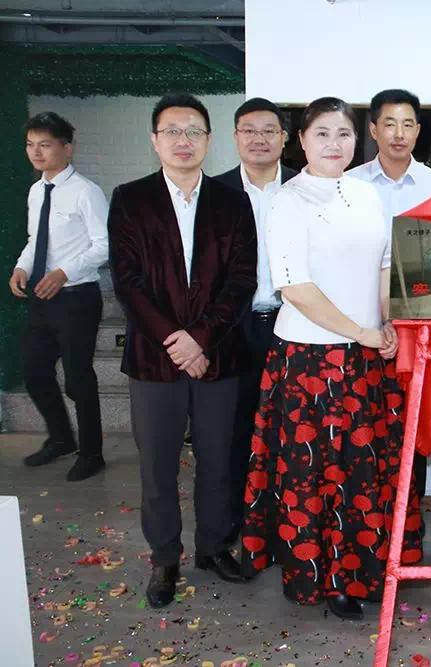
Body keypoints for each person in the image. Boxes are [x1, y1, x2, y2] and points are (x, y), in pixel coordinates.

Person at [241, 97, 422, 621]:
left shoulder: (364, 193)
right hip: (309, 361)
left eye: (343, 134)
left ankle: (362, 570)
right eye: (321, 134)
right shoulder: (288, 200)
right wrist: (361, 331)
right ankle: (325, 577)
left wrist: (387, 321)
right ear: (301, 140)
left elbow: (384, 265)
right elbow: (294, 287)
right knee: (318, 473)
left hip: (365, 357)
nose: (333, 144)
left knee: (363, 471)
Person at [108, 93, 257, 608]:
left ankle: (213, 546)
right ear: (155, 141)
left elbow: (241, 280)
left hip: (218, 355)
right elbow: (127, 282)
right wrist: (177, 341)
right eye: (172, 131)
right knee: (158, 465)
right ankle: (165, 557)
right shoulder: (130, 199)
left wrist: (202, 338)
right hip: (155, 359)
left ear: (209, 141)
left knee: (218, 460)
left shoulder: (232, 202)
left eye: (194, 131)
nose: (183, 140)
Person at [347, 89, 431, 499]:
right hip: (356, 323)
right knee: (360, 423)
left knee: (411, 424)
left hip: (416, 326)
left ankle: (409, 516)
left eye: (407, 125)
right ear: (373, 130)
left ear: (418, 131)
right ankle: (365, 515)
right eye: (389, 124)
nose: (398, 134)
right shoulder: (348, 184)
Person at [215, 97, 298, 545]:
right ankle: (234, 518)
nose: (259, 139)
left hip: (294, 325)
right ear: (235, 137)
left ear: (284, 138)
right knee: (233, 428)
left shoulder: (306, 189)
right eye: (249, 130)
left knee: (291, 430)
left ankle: (288, 519)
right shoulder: (214, 192)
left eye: (269, 130)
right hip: (233, 327)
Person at [10, 112, 108, 482]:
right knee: (34, 371)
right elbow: (36, 240)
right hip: (42, 298)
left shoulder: (86, 191)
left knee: (78, 378)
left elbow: (104, 244)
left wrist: (64, 272)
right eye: (30, 145)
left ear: (67, 148)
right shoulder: (37, 191)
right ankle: (61, 438)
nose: (36, 152)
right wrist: (22, 266)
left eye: (45, 145)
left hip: (77, 298)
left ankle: (92, 453)